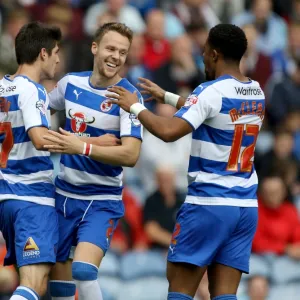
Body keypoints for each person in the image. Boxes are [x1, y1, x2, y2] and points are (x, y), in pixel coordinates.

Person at [104, 23, 264, 300]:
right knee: (225, 295)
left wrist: (135, 105)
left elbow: (168, 132)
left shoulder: (209, 90)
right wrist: (165, 97)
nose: (201, 57)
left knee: (179, 289)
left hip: (208, 204)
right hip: (245, 207)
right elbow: (215, 112)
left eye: (203, 52)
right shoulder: (256, 91)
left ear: (214, 54)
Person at [45, 22, 143, 300]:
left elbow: (130, 154)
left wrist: (83, 146)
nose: (116, 56)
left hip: (101, 199)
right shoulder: (69, 84)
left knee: (85, 271)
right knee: (59, 284)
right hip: (63, 196)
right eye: (111, 48)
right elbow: (39, 118)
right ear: (95, 47)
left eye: (123, 52)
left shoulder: (129, 98)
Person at [0, 22, 62, 300]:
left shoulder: (2, 87)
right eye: (56, 52)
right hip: (31, 197)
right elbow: (39, 138)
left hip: (5, 196)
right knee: (34, 284)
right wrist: (86, 144)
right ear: (43, 53)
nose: (59, 59)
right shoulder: (33, 90)